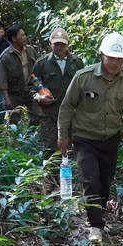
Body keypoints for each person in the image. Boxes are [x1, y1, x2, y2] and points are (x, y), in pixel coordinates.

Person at [58, 32, 123, 242]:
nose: (115, 63)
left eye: (120, 59)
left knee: (105, 182)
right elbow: (67, 106)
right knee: (90, 180)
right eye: (111, 58)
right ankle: (96, 226)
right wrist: (63, 135)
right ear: (102, 55)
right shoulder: (83, 77)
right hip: (85, 138)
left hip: (111, 139)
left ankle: (99, 211)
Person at [32, 27, 85, 162]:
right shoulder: (42, 63)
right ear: (51, 44)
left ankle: (71, 180)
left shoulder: (77, 62)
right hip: (49, 114)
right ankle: (50, 181)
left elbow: (84, 86)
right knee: (50, 149)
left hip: (72, 114)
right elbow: (31, 86)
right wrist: (40, 97)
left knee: (74, 148)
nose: (59, 47)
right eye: (56, 44)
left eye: (62, 44)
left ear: (68, 44)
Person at [0, 25, 40, 125]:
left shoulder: (30, 50)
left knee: (37, 117)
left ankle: (32, 138)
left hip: (31, 91)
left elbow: (38, 69)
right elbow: (2, 80)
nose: (25, 37)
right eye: (22, 35)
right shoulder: (5, 57)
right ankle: (13, 140)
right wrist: (7, 99)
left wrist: (40, 89)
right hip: (14, 94)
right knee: (13, 121)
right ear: (14, 38)